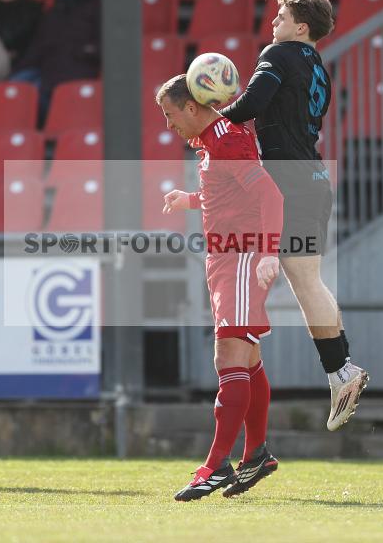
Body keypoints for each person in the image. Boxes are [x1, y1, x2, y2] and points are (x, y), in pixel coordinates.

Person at [219, 0, 369, 432]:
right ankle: (342, 369)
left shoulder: (280, 54)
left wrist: (211, 120)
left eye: (281, 16)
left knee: (304, 280)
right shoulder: (316, 66)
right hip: (312, 179)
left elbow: (251, 105)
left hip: (292, 183)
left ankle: (342, 371)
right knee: (309, 280)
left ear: (300, 27)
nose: (274, 23)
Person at [157, 75, 285, 501]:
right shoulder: (215, 140)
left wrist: (268, 253)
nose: (169, 124)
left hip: (243, 256)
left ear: (192, 107)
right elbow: (230, 192)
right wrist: (190, 199)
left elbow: (270, 197)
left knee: (227, 354)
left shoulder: (226, 140)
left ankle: (215, 465)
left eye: (170, 114)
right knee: (246, 358)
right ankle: (256, 454)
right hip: (226, 259)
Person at [12, 0, 101, 124]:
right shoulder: (54, 8)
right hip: (48, 70)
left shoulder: (100, 3)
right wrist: (18, 70)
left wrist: (86, 51)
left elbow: (105, 42)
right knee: (16, 86)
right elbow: (38, 45)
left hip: (81, 67)